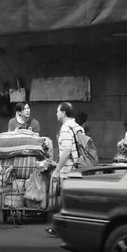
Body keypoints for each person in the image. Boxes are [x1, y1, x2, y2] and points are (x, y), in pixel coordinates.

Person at [47, 101, 85, 236]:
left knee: (66, 200)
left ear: (63, 113)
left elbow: (67, 151)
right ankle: (70, 228)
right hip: (79, 168)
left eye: (58, 111)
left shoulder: (65, 128)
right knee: (74, 201)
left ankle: (62, 229)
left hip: (68, 170)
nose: (56, 114)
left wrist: (57, 170)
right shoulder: (78, 127)